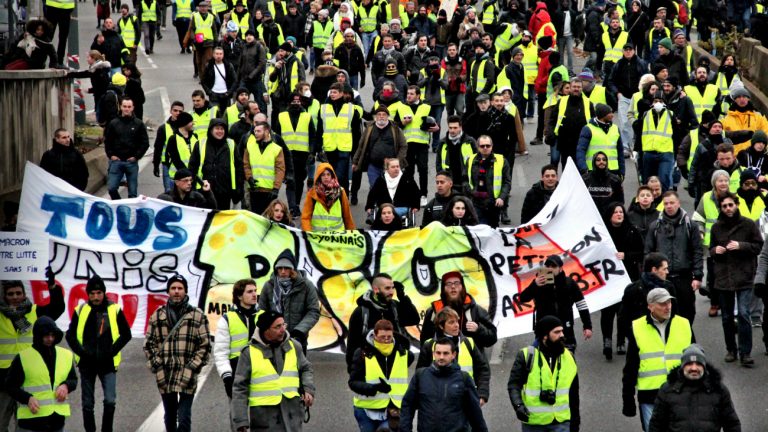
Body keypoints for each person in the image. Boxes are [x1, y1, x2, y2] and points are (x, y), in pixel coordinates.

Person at [143, 274, 211, 432]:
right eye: (173, 288)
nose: (176, 291)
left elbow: (205, 345)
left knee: (184, 416)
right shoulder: (158, 316)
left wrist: (193, 366)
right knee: (170, 415)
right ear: (168, 291)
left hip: (187, 374)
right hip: (165, 374)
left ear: (185, 291)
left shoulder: (197, 316)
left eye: (180, 288)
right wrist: (157, 364)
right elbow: (149, 343)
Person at [64, 275, 132, 432]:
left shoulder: (114, 309)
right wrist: (81, 353)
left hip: (108, 364)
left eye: (99, 293)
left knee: (110, 401)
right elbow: (70, 335)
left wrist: (111, 351)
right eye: (92, 293)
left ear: (104, 293)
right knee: (88, 404)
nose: (95, 296)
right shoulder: (80, 310)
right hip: (87, 365)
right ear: (88, 294)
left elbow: (126, 334)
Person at [231, 311, 315, 432]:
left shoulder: (294, 346)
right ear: (266, 330)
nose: (283, 330)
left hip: (292, 416)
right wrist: (241, 421)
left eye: (283, 325)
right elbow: (239, 388)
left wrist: (308, 389)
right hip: (264, 420)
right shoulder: (248, 353)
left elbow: (306, 368)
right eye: (277, 327)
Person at [622, 288, 693, 431]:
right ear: (650, 306)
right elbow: (631, 366)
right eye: (662, 304)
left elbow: (697, 358)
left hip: (680, 392)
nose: (668, 307)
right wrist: (628, 399)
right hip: (650, 396)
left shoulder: (684, 324)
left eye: (669, 302)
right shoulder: (637, 327)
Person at [0, 275, 65, 430]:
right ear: (4, 296)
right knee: (1, 422)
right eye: (10, 294)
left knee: (24, 424)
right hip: (2, 378)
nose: (15, 297)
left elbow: (57, 307)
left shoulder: (35, 312)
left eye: (18, 293)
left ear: (24, 294)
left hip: (27, 377)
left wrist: (52, 285)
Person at [709, 192, 763, 366]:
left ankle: (745, 352)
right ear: (721, 208)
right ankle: (731, 349)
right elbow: (711, 249)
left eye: (730, 205)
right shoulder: (717, 227)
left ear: (737, 205)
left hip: (744, 275)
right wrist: (715, 250)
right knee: (726, 317)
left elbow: (758, 246)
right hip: (724, 276)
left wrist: (741, 246)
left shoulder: (748, 224)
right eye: (724, 206)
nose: (728, 209)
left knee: (744, 314)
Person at [507, 314, 580, 432]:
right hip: (534, 423)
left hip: (561, 422)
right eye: (556, 332)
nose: (562, 335)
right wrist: (518, 406)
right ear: (545, 336)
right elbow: (514, 384)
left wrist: (575, 422)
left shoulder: (569, 357)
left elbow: (574, 392)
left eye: (562, 331)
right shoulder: (526, 356)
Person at [4, 316, 77, 432]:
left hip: (56, 422)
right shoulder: (23, 357)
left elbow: (73, 379)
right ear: (38, 336)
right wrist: (27, 398)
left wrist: (66, 385)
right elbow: (10, 386)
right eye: (46, 335)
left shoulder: (66, 355)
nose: (50, 339)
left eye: (53, 335)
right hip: (31, 422)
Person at [400, 337, 488, 432]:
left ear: (453, 355)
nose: (441, 357)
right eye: (438, 353)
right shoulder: (421, 376)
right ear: (434, 354)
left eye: (445, 353)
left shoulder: (464, 378)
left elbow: (475, 414)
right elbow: (408, 405)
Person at [648, 344, 741, 432]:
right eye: (689, 364)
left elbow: (732, 424)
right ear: (682, 366)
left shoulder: (719, 390)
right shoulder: (667, 390)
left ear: (704, 367)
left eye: (698, 364)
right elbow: (656, 425)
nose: (694, 368)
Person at [645, 190, 703, 324]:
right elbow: (648, 252)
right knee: (664, 313)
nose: (669, 206)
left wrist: (698, 276)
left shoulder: (690, 225)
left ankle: (685, 340)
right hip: (662, 278)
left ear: (678, 203)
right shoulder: (655, 226)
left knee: (688, 312)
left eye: (672, 203)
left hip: (684, 277)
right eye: (666, 203)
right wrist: (649, 276)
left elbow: (697, 251)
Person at [515, 254, 593, 351]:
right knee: (543, 363)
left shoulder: (569, 283)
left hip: (565, 332)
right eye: (548, 266)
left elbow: (581, 305)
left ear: (560, 268)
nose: (550, 269)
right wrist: (534, 285)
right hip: (544, 332)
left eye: (554, 266)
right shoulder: (538, 283)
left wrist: (587, 326)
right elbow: (522, 298)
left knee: (567, 363)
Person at [348, 319, 414, 432]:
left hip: (392, 410)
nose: (386, 340)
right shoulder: (362, 353)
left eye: (389, 337)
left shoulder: (404, 354)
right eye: (383, 337)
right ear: (374, 335)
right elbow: (353, 383)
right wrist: (374, 388)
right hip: (366, 409)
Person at [346, 273, 419, 370]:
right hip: (369, 367)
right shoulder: (361, 312)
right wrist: (353, 372)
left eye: (393, 288)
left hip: (394, 366)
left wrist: (403, 297)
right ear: (376, 290)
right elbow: (352, 345)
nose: (392, 292)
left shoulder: (394, 307)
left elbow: (414, 319)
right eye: (387, 288)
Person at [417, 307, 490, 404]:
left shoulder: (469, 342)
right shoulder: (429, 345)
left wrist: (482, 394)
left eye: (457, 321)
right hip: (438, 402)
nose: (456, 325)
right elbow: (420, 374)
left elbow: (483, 369)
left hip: (466, 400)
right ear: (441, 326)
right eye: (451, 322)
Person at [602, 203, 644, 359]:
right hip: (607, 277)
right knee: (607, 311)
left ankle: (621, 340)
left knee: (623, 310)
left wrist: (626, 255)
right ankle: (607, 340)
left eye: (621, 212)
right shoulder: (603, 232)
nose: (619, 214)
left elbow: (641, 252)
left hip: (628, 277)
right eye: (615, 212)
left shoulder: (632, 231)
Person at [258, 250, 320, 353]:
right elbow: (262, 311)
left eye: (286, 268)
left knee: (297, 368)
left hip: (297, 340)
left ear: (293, 269)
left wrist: (299, 331)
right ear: (276, 269)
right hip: (273, 340)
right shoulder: (269, 286)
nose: (283, 271)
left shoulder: (306, 286)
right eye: (280, 268)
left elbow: (313, 311)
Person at [421, 271, 497, 350]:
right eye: (448, 284)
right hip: (441, 360)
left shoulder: (476, 310)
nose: (453, 286)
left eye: (457, 283)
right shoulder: (433, 312)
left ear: (462, 287)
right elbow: (424, 343)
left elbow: (492, 339)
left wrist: (479, 329)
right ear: (443, 288)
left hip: (472, 361)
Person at [214, 279, 261, 399]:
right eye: (249, 292)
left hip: (261, 375)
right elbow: (221, 352)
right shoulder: (227, 319)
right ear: (239, 296)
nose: (254, 294)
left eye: (255, 291)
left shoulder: (264, 316)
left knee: (261, 417)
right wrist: (227, 377)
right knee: (238, 417)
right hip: (237, 375)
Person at [619, 252, 678, 339]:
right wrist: (633, 336)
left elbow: (676, 313)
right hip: (641, 339)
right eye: (664, 269)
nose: (667, 272)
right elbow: (624, 317)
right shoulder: (633, 290)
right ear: (654, 269)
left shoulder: (669, 287)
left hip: (665, 336)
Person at [190, 119, 244, 210]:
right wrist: (194, 187)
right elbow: (192, 167)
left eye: (222, 129)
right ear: (211, 130)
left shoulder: (231, 144)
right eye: (217, 128)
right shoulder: (200, 144)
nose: (220, 131)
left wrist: (239, 188)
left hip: (225, 191)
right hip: (204, 191)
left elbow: (238, 167)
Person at [606, 42, 648, 156]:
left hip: (638, 97)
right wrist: (617, 93)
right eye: (626, 49)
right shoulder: (618, 65)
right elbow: (610, 81)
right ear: (623, 51)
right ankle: (626, 147)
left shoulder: (641, 63)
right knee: (624, 122)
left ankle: (637, 146)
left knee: (638, 122)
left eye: (630, 49)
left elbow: (647, 78)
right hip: (623, 97)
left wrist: (644, 93)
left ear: (634, 51)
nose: (628, 51)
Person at [104, 98, 149, 200]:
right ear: (120, 107)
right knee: (111, 188)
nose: (126, 109)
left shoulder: (138, 124)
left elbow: (145, 143)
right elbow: (108, 141)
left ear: (132, 108)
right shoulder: (114, 123)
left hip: (131, 162)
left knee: (132, 193)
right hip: (117, 161)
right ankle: (119, 204)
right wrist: (111, 155)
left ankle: (130, 211)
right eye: (124, 106)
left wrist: (137, 156)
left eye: (129, 107)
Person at [353, 105, 408, 189]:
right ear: (375, 116)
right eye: (379, 114)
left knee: (390, 189)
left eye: (384, 114)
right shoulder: (369, 129)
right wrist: (355, 162)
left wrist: (397, 161)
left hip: (390, 167)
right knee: (375, 188)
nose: (381, 116)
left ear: (388, 116)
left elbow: (403, 146)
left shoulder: (395, 129)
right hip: (373, 166)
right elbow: (361, 146)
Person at [464, 135, 512, 227]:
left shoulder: (501, 160)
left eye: (488, 146)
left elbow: (507, 182)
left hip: (493, 203)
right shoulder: (470, 160)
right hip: (476, 202)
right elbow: (465, 179)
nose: (485, 148)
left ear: (492, 146)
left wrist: (501, 197)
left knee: (492, 229)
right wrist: (471, 192)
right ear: (478, 147)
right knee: (480, 228)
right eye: (482, 146)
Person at [301, 163, 356, 231]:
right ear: (319, 177)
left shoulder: (341, 192)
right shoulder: (312, 194)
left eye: (328, 174)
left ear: (332, 176)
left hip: (337, 238)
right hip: (317, 238)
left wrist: (352, 234)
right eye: (323, 175)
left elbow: (347, 216)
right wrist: (308, 234)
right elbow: (306, 217)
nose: (326, 177)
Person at [576, 103, 625, 177]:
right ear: (603, 115)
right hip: (593, 171)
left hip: (613, 171)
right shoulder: (588, 129)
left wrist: (622, 172)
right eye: (610, 113)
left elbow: (620, 151)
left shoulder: (615, 128)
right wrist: (583, 168)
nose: (612, 115)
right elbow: (580, 150)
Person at [721, 86, 768, 155]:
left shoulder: (758, 117)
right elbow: (721, 137)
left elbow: (766, 132)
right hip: (734, 157)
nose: (742, 99)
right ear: (735, 100)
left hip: (754, 156)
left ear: (748, 99)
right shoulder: (726, 119)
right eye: (739, 97)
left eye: (744, 96)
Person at [582, 151, 625, 216]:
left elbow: (620, 202)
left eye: (604, 160)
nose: (601, 162)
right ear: (594, 162)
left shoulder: (615, 180)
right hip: (590, 216)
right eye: (598, 160)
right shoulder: (585, 179)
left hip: (609, 217)